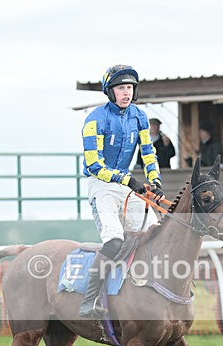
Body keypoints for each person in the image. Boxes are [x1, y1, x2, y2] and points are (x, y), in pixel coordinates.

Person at [79, 64, 165, 318]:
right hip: (102, 185)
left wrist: (155, 181)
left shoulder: (139, 117)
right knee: (115, 241)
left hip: (125, 186)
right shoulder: (94, 119)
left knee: (155, 233)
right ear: (110, 91)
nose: (126, 92)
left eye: (129, 88)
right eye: (120, 88)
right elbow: (94, 165)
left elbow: (148, 153)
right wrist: (127, 180)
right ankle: (89, 300)